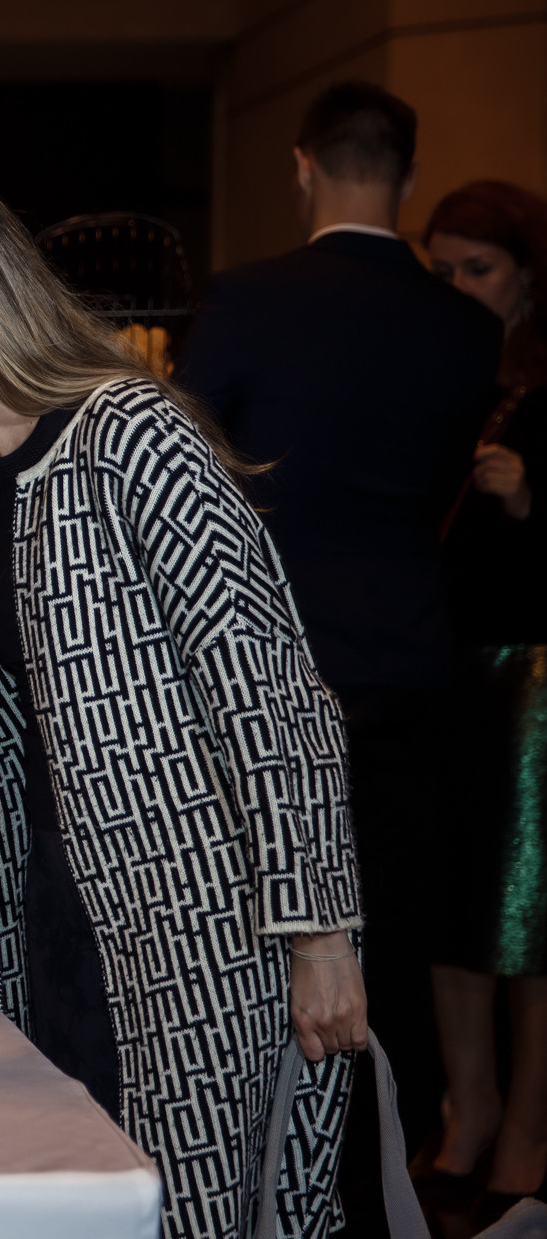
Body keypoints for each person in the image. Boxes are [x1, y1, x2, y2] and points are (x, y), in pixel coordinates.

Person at [0, 171, 367, 1239]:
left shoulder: (135, 437)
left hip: (199, 923)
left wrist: (320, 934)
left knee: (191, 1211)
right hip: (43, 916)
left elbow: (274, 700)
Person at [175, 82, 505, 1191]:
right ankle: (389, 1178)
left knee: (260, 934)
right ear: (407, 179)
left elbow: (193, 470)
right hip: (413, 661)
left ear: (303, 165)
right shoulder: (465, 326)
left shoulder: (248, 298)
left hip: (269, 664)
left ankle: (268, 1168)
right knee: (395, 937)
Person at [417, 180, 547, 1227]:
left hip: (533, 672)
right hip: (443, 664)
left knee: (524, 919)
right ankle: (468, 1106)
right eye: (444, 268)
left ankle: (527, 1129)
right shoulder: (440, 364)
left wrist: (528, 499)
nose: (458, 288)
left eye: (479, 268)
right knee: (451, 909)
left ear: (528, 276)